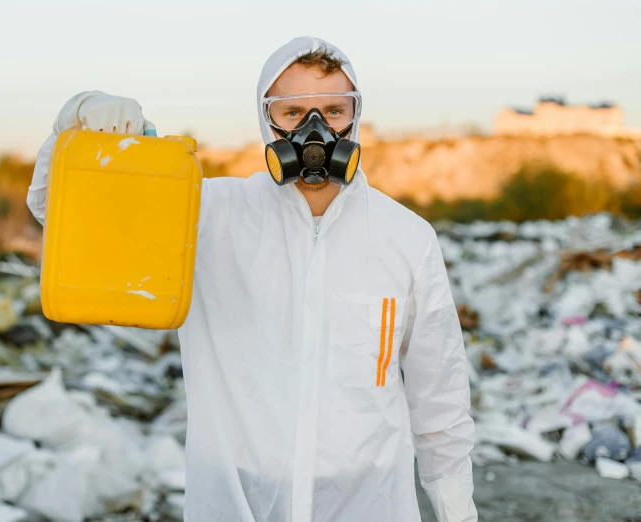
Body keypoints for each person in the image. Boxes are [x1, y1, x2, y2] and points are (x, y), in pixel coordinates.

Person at [27, 36, 477, 522]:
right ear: (266, 120)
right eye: (292, 113)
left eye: (333, 109)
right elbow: (56, 210)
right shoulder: (205, 214)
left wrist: (458, 514)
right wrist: (77, 118)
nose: (315, 128)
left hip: (370, 506)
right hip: (233, 503)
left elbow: (440, 399)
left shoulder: (406, 236)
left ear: (355, 116)